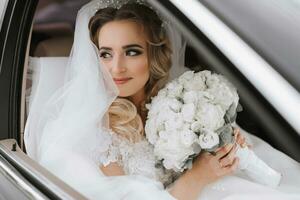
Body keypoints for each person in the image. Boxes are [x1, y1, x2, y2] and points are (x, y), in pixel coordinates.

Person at [25, 0, 300, 200]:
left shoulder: (181, 101)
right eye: (106, 54)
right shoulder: (95, 130)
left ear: (154, 55)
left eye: (131, 52)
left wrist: (224, 146)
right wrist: (198, 176)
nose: (116, 68)